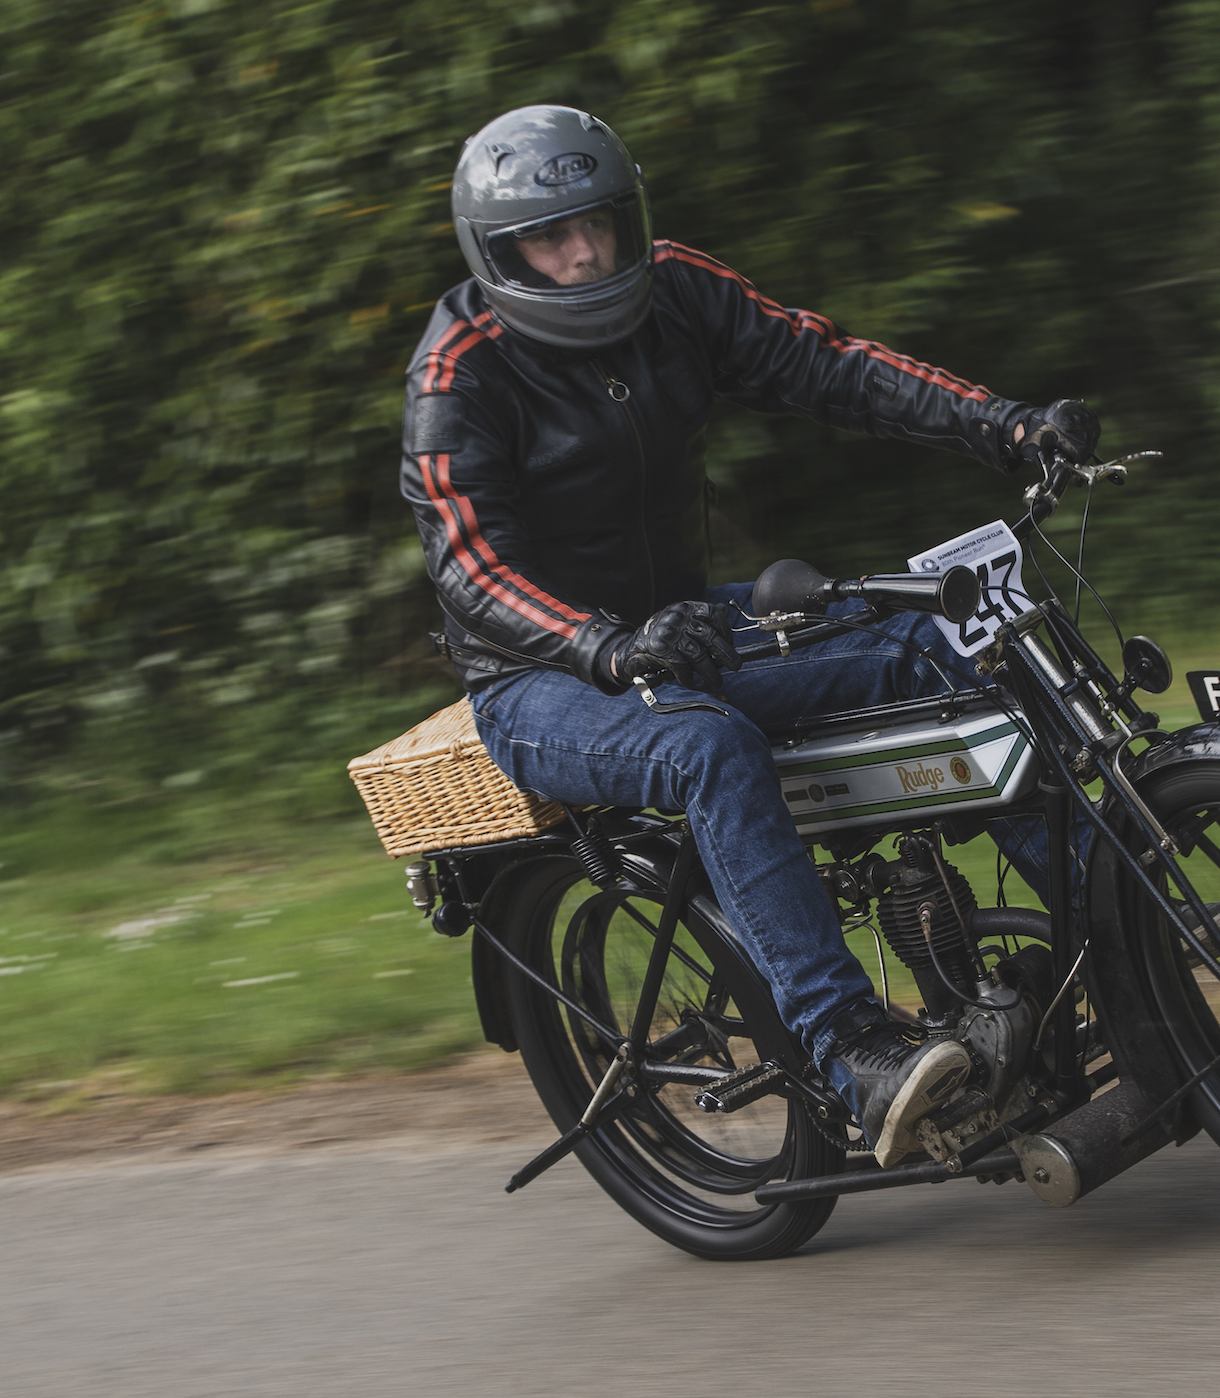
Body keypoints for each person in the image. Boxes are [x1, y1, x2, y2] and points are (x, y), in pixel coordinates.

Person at [400, 105, 1100, 1166]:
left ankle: (1104, 924)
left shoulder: (676, 288)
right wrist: (608, 647)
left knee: (926, 635)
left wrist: (1003, 424)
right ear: (496, 253)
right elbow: (471, 570)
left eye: (599, 222)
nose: (585, 252)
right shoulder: (461, 373)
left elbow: (835, 367)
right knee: (706, 745)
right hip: (542, 677)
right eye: (550, 238)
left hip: (681, 627)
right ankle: (855, 1056)